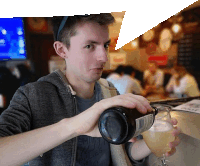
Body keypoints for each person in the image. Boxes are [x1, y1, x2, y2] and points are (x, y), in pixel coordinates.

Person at [0, 14, 181, 166]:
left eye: (105, 45)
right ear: (62, 50)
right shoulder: (32, 95)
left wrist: (152, 144)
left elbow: (121, 153)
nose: (104, 57)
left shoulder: (109, 91)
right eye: (89, 46)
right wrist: (73, 126)